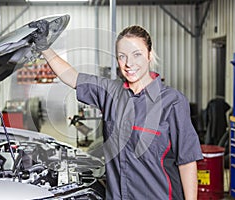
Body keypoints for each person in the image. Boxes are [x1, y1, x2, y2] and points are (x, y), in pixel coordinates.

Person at [34, 21, 203, 199]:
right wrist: (44, 48)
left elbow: (187, 162)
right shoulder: (110, 93)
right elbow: (72, 77)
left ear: (149, 55)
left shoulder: (172, 102)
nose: (129, 63)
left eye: (137, 54)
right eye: (122, 56)